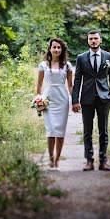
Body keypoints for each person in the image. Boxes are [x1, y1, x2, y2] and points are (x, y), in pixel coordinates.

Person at [71, 30, 110, 171]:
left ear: (100, 40)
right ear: (88, 41)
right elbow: (77, 80)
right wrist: (75, 100)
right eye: (91, 39)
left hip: (104, 99)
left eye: (96, 38)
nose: (93, 41)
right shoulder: (81, 58)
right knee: (87, 131)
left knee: (103, 131)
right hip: (87, 99)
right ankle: (89, 161)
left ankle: (103, 161)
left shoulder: (109, 56)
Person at [35, 38, 73, 169]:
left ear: (62, 50)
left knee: (60, 132)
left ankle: (57, 159)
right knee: (50, 131)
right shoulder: (43, 65)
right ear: (50, 49)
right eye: (54, 47)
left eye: (59, 47)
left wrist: (75, 101)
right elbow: (39, 85)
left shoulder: (67, 65)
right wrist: (38, 99)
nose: (56, 49)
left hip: (62, 100)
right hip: (48, 100)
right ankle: (51, 158)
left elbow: (70, 85)